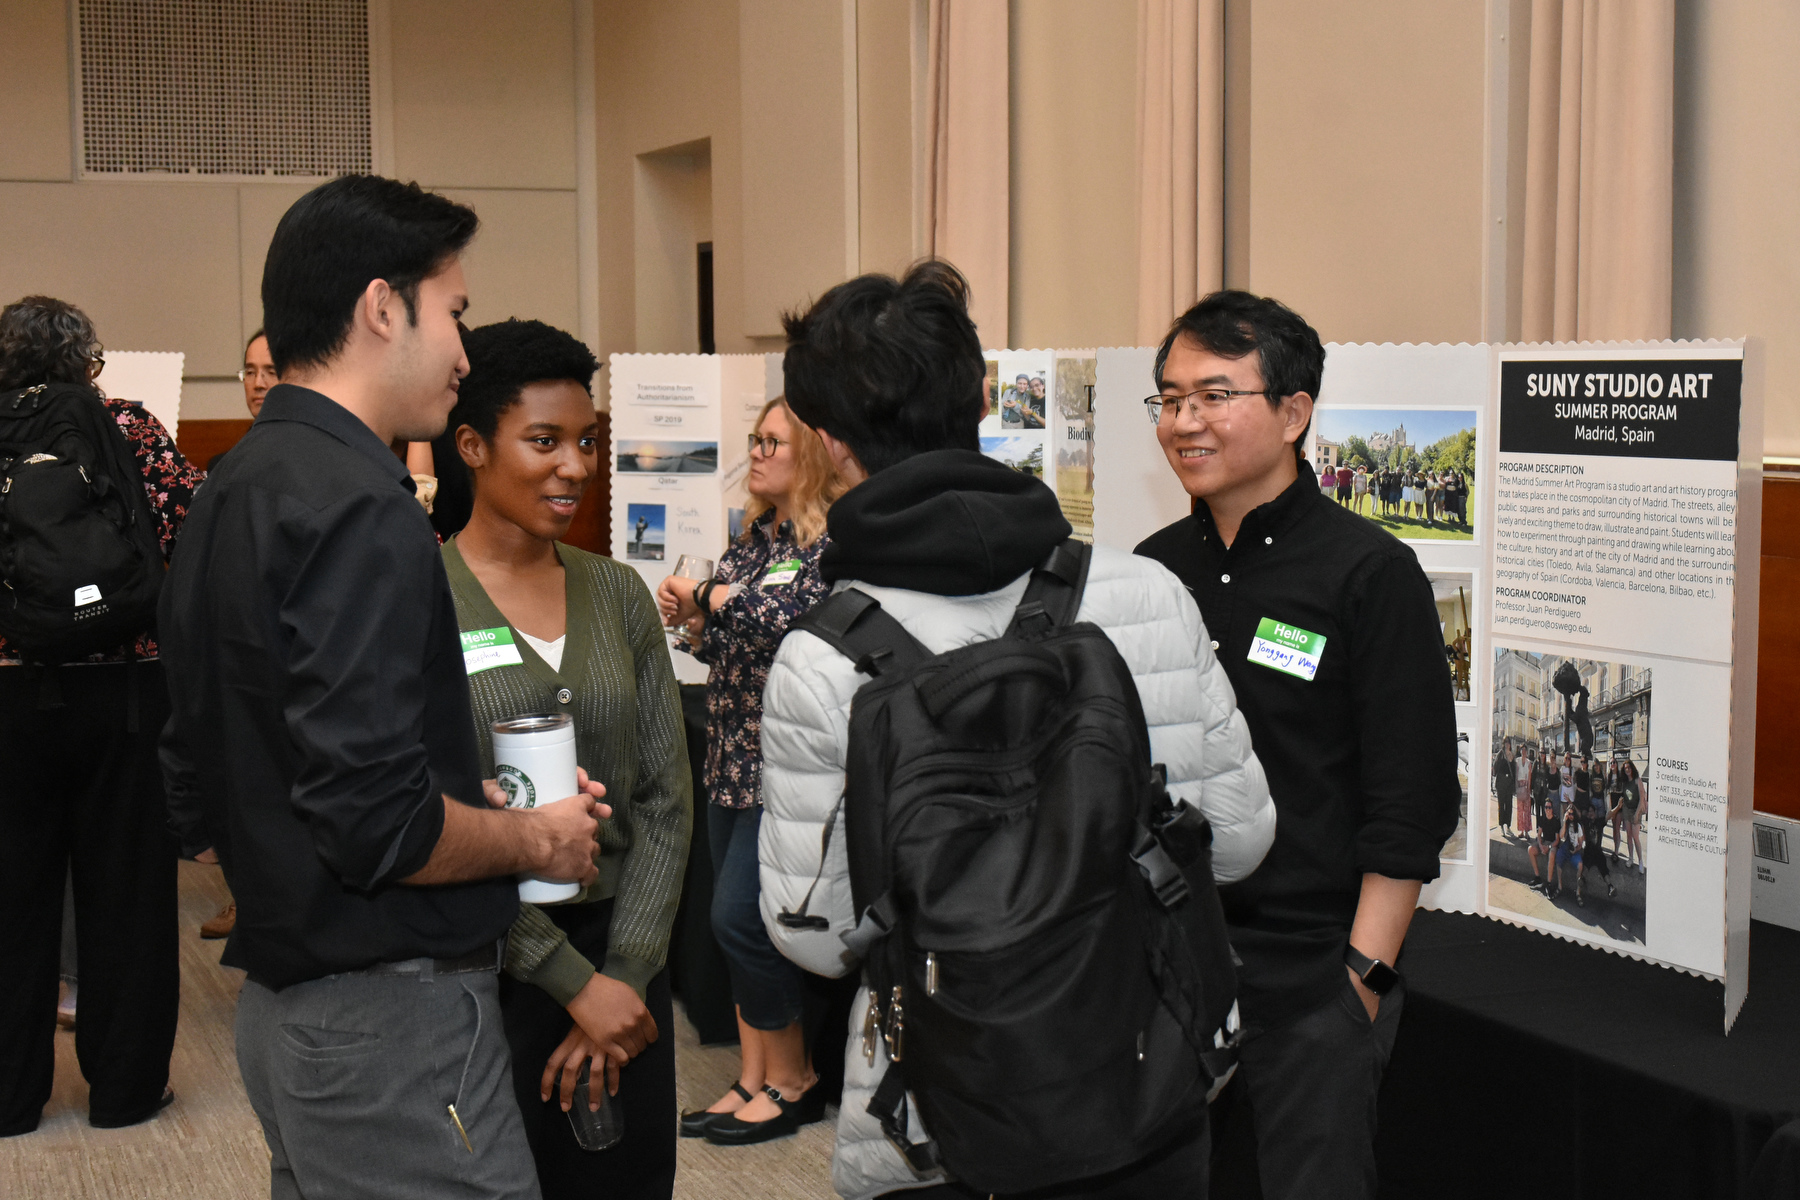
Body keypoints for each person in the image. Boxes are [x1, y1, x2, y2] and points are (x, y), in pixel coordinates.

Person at [758, 262, 1277, 1198]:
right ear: (983, 395)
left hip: (942, 1121)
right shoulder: (1146, 593)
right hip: (1145, 1087)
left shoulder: (824, 655)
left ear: (830, 446)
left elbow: (818, 935)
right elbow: (1237, 844)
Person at [159, 175, 607, 1200]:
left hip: (292, 1011)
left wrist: (455, 814)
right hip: (385, 1028)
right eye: (453, 311)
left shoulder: (236, 482)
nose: (462, 350)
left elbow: (206, 763)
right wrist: (533, 839)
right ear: (379, 308)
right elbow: (375, 823)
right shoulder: (362, 506)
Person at [1133, 290, 1461, 1200]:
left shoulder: (1369, 573)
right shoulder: (1152, 571)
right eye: (1168, 398)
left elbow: (1413, 800)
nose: (1184, 421)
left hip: (1315, 973)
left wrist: (1360, 982)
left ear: (1293, 413)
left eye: (1212, 395)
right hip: (1172, 966)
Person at [442, 318, 693, 1198]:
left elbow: (664, 798)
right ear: (472, 445)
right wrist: (568, 982)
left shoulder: (617, 591)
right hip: (490, 966)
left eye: (586, 441)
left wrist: (620, 979)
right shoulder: (422, 597)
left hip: (632, 958)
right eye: (543, 441)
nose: (576, 466)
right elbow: (424, 811)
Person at [0, 295, 203, 1137]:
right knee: (129, 898)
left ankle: (8, 1101)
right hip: (125, 690)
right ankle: (124, 1092)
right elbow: (189, 524)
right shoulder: (129, 425)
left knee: (10, 900)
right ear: (90, 361)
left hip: (7, 695)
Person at [657, 397, 846, 1146]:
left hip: (789, 765)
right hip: (729, 751)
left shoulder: (832, 542)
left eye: (774, 441)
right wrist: (699, 627)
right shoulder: (752, 539)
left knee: (742, 918)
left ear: (811, 453)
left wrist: (713, 598)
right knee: (733, 925)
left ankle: (794, 1079)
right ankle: (754, 1074)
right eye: (755, 440)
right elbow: (734, 642)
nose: (758, 453)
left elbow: (796, 618)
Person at [1621, 761, 1646, 874]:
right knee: (1629, 836)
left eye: (1629, 767)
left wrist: (1637, 814)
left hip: (1636, 810)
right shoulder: (1625, 782)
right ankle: (1631, 858)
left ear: (1632, 768)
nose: (1627, 769)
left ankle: (1641, 861)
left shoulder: (1638, 780)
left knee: (1636, 837)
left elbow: (1642, 798)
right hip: (1626, 810)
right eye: (1625, 768)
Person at [1492, 739, 1517, 835]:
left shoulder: (1512, 755)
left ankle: (1508, 826)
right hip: (1501, 783)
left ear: (1510, 744)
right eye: (1505, 743)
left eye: (1508, 743)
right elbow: (1495, 766)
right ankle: (1501, 825)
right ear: (1503, 744)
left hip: (1509, 783)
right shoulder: (1501, 754)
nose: (1507, 744)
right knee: (1501, 805)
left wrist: (1514, 785)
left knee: (1509, 805)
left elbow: (1514, 771)